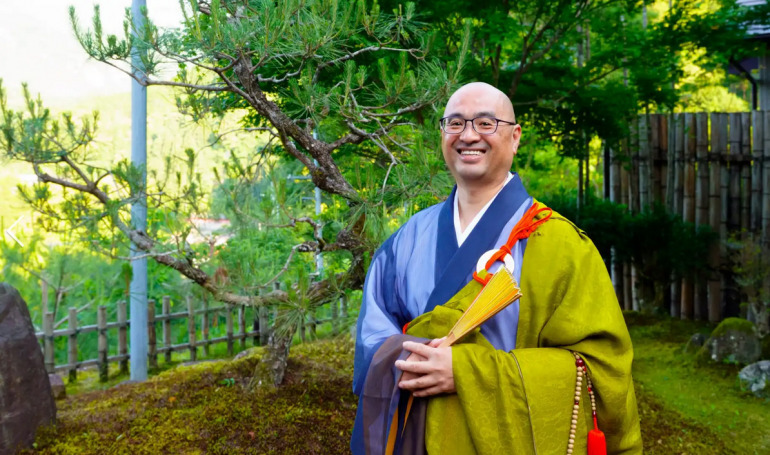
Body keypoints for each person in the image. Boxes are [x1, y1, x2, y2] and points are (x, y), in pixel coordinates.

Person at [351, 82, 642, 454]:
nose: (468, 135)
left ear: (515, 136)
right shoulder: (406, 240)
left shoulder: (560, 244)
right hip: (416, 436)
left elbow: (602, 367)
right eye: (454, 124)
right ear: (442, 134)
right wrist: (415, 363)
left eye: (486, 123)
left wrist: (469, 373)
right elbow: (372, 339)